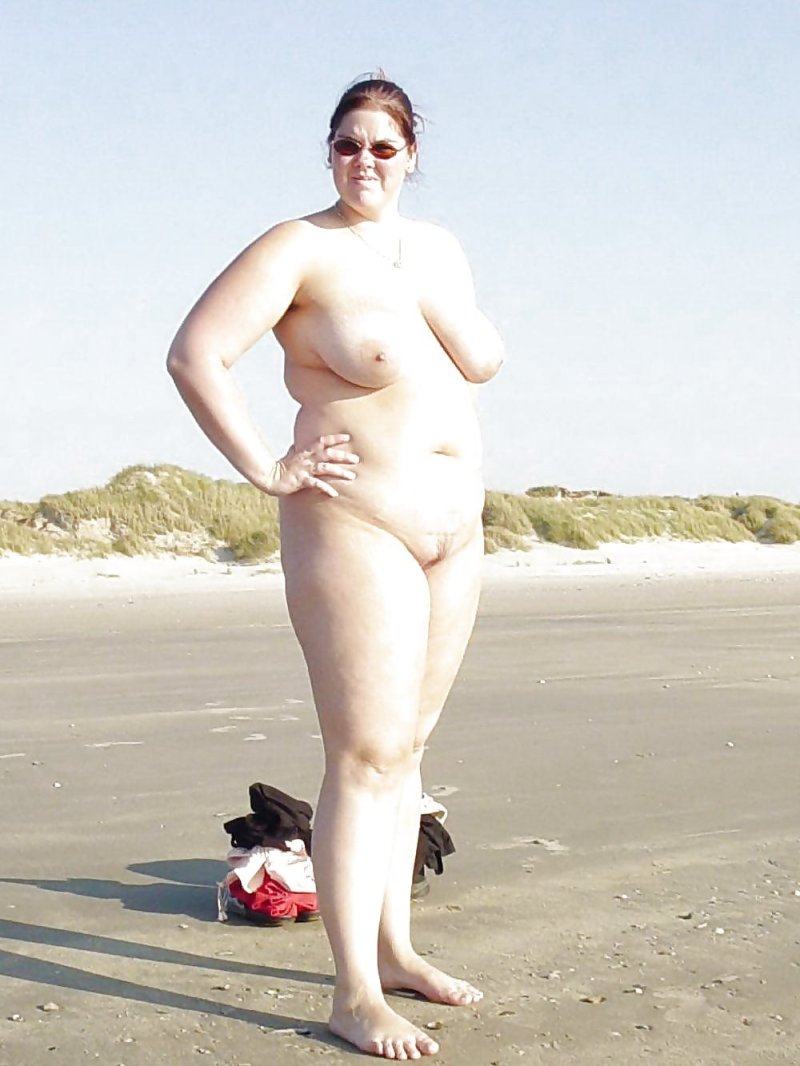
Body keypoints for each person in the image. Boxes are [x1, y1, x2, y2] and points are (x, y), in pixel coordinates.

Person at [167, 74, 504, 1061]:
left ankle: (395, 950)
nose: (363, 161)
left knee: (408, 750)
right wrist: (267, 467)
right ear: (328, 151)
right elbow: (195, 354)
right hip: (357, 522)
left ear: (410, 156)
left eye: (382, 147)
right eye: (347, 144)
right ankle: (352, 993)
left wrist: (430, 289)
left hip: (454, 530)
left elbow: (478, 358)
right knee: (363, 755)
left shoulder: (437, 248)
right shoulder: (298, 248)